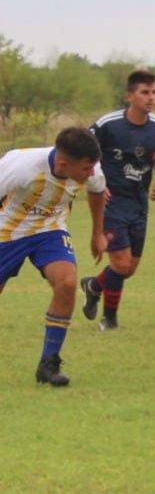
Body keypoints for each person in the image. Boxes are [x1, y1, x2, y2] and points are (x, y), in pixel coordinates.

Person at [0, 127, 106, 386]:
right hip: (8, 231)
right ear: (63, 163)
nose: (91, 173)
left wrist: (97, 234)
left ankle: (48, 364)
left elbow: (97, 191)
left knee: (67, 282)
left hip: (50, 229)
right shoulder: (20, 167)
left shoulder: (90, 167)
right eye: (85, 169)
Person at [79, 70, 155, 330]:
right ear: (130, 96)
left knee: (129, 268)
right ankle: (109, 320)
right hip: (110, 204)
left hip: (139, 203)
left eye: (153, 92)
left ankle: (93, 285)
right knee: (120, 263)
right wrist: (95, 179)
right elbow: (80, 151)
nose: (151, 98)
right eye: (144, 92)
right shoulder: (108, 124)